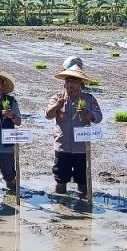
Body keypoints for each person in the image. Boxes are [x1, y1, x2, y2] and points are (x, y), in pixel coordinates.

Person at [45, 65, 102, 196]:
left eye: (75, 81)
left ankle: (84, 208)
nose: (71, 84)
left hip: (81, 148)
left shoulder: (89, 99)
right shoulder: (57, 97)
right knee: (60, 180)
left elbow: (98, 118)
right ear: (65, 84)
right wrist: (57, 106)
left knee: (82, 181)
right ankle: (60, 207)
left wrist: (87, 113)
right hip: (62, 147)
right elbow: (47, 115)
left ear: (81, 84)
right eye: (68, 81)